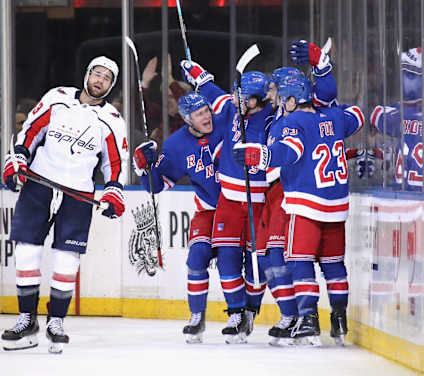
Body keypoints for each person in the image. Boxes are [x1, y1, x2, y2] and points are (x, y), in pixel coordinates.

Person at [0, 55, 129, 353]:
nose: (99, 81)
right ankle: (26, 320)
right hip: (39, 184)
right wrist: (19, 156)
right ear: (86, 74)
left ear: (111, 86)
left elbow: (115, 162)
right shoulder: (57, 98)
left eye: (107, 78)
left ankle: (56, 322)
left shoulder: (111, 119)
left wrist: (113, 190)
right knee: (27, 253)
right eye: (96, 74)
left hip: (78, 195)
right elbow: (31, 131)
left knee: (66, 260)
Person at [233, 74, 364, 346]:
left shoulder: (293, 121)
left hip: (306, 203)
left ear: (292, 100)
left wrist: (260, 156)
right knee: (334, 266)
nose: (279, 102)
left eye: (282, 97)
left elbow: (290, 151)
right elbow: (358, 116)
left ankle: (308, 318)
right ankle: (339, 318)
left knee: (299, 261)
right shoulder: (335, 116)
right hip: (337, 207)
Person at [181, 60, 272, 343]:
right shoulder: (232, 107)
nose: (236, 99)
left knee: (256, 263)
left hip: (259, 202)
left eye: (243, 96)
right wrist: (197, 74)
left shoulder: (272, 119)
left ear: (256, 100)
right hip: (229, 200)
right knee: (227, 259)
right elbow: (212, 92)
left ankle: (250, 311)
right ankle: (235, 312)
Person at [133, 91, 224, 344]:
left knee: (237, 264)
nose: (207, 116)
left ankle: (241, 315)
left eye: (207, 111)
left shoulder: (224, 124)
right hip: (207, 209)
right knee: (196, 258)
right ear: (187, 119)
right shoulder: (175, 145)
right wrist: (145, 168)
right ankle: (197, 317)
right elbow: (157, 185)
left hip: (238, 206)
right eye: (199, 114)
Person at [370, 47, 423, 191]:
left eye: (410, 74)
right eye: (405, 73)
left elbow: (376, 114)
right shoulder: (403, 111)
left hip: (404, 196)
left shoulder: (400, 113)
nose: (405, 78)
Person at [142, 54, 190, 144]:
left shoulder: (190, 124)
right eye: (166, 97)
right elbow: (140, 111)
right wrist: (144, 83)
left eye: (172, 96)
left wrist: (170, 80)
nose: (168, 100)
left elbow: (190, 110)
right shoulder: (160, 117)